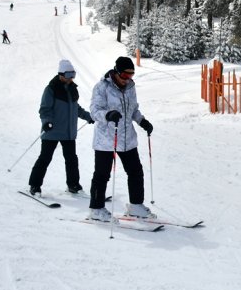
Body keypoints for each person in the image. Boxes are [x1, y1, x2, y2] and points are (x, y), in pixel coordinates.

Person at [88, 56, 155, 222]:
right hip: (106, 139)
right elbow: (94, 111)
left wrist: (142, 121)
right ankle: (96, 209)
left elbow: (133, 109)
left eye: (131, 75)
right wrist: (108, 115)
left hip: (127, 138)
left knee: (135, 171)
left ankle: (136, 206)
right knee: (102, 175)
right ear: (116, 72)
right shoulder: (102, 87)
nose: (128, 79)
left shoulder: (131, 87)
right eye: (125, 75)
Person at [28, 60, 94, 197]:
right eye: (69, 74)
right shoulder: (51, 89)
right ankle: (35, 185)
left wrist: (88, 116)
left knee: (71, 159)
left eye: (73, 74)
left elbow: (76, 108)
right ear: (61, 74)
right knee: (45, 158)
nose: (71, 78)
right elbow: (44, 109)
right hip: (52, 131)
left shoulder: (72, 89)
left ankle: (73, 185)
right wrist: (47, 122)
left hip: (68, 133)